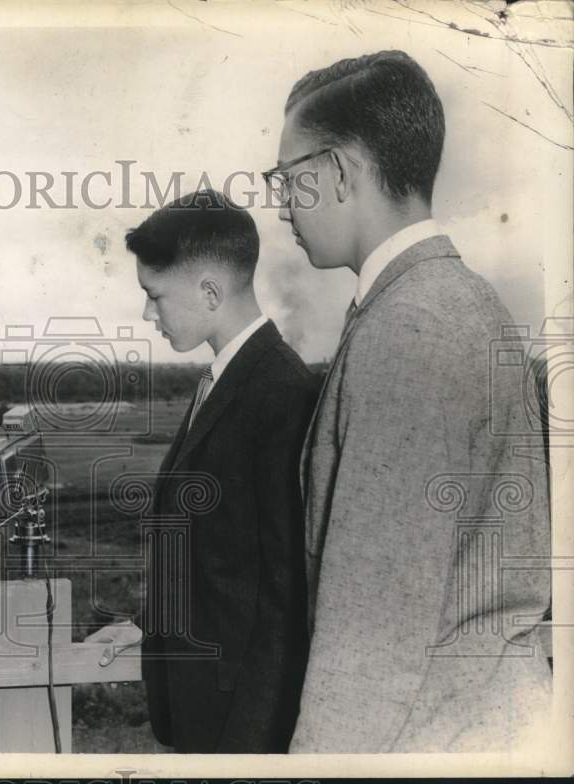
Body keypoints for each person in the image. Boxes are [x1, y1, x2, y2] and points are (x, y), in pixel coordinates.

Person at [266, 50, 552, 752]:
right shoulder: (463, 300)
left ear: (338, 173)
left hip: (432, 737)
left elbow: (370, 643)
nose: (281, 205)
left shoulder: (408, 330)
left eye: (288, 179)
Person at [87, 190, 319, 752]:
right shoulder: (223, 380)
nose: (148, 314)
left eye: (154, 295)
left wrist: (246, 749)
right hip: (198, 710)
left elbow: (283, 600)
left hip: (240, 729)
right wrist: (148, 623)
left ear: (210, 291)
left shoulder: (283, 393)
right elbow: (214, 554)